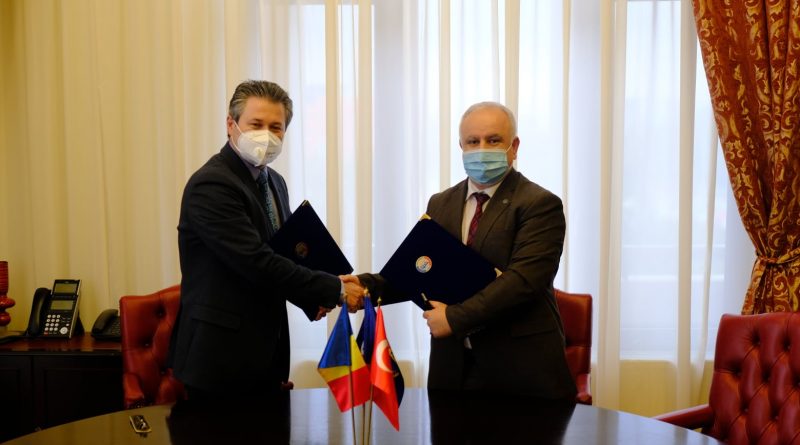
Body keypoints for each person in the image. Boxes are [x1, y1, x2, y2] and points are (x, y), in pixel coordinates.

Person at [352, 102, 576, 400]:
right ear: (461, 146)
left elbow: (523, 282)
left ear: (514, 146)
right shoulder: (441, 203)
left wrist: (454, 318)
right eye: (473, 141)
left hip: (520, 368)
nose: (481, 149)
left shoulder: (539, 204)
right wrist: (363, 287)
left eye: (493, 140)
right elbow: (419, 269)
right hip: (452, 367)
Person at [168, 80, 364, 400]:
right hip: (219, 357)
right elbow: (257, 261)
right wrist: (335, 289)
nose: (267, 135)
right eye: (256, 124)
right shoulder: (213, 184)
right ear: (231, 124)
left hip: (265, 350)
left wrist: (311, 298)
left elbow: (282, 254)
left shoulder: (275, 181)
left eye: (276, 128)